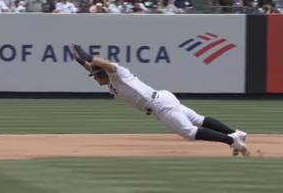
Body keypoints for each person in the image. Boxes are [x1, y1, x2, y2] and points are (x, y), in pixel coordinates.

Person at [70, 42, 250, 157]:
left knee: (189, 132)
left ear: (102, 74)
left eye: (95, 75)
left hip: (160, 106)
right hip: (162, 98)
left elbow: (107, 65)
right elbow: (95, 69)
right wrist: (81, 62)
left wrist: (88, 56)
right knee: (199, 120)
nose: (94, 78)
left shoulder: (119, 75)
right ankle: (236, 133)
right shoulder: (111, 84)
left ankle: (232, 141)